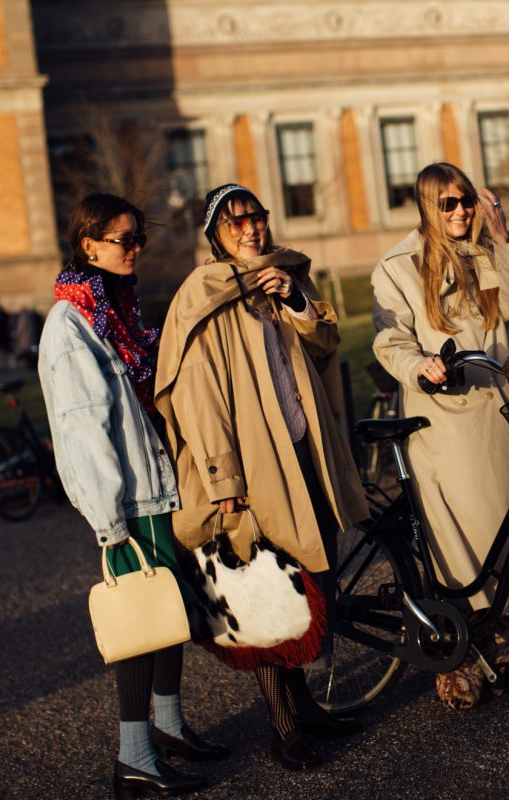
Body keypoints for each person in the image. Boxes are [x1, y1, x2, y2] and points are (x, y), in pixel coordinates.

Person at [154, 183, 369, 771]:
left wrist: (296, 298)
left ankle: (305, 711)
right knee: (268, 589)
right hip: (252, 465)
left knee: (306, 581)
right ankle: (283, 729)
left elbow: (325, 342)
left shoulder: (281, 278)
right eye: (234, 223)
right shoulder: (204, 293)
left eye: (256, 217)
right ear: (215, 236)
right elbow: (198, 397)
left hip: (303, 450)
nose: (251, 229)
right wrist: (224, 481)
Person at [38, 193, 221, 800]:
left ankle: (167, 727)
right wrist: (108, 520)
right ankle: (134, 757)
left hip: (155, 490)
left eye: (138, 238)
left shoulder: (116, 311)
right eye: (124, 239)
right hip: (128, 504)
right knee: (140, 628)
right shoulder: (71, 326)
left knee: (169, 618)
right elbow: (82, 427)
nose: (135, 248)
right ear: (88, 244)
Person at [370, 162, 509, 709]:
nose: (461, 211)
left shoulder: (481, 251)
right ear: (427, 206)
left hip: (500, 408)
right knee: (462, 545)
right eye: (448, 203)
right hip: (444, 416)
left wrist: (500, 236)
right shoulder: (398, 266)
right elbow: (388, 338)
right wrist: (419, 363)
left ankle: (506, 655)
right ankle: (460, 665)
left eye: (466, 200)